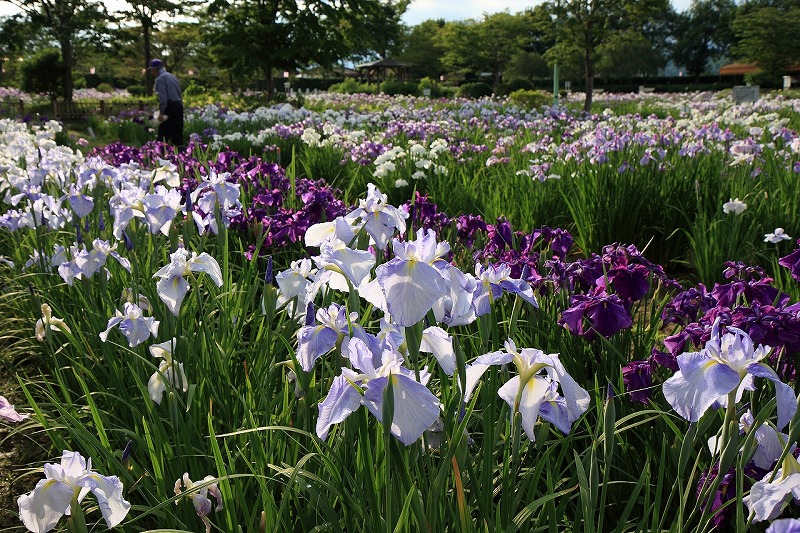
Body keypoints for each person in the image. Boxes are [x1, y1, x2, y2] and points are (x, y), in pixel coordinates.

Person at [148, 58, 183, 146]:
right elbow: (179, 92)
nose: (152, 73)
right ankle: (183, 156)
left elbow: (163, 98)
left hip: (169, 106)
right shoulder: (172, 76)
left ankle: (158, 157)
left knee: (163, 135)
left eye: (152, 70)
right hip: (178, 106)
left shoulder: (160, 79)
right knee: (177, 135)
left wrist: (162, 113)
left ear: (155, 69)